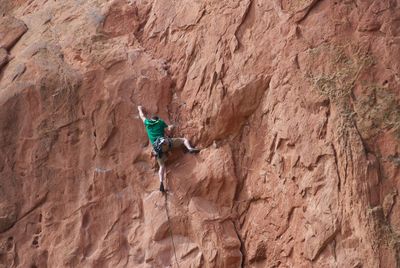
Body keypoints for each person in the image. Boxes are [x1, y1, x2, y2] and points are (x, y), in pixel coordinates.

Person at [138, 106, 200, 192]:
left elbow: (142, 116)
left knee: (162, 166)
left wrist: (139, 109)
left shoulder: (147, 123)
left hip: (157, 149)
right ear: (157, 119)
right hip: (165, 144)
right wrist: (170, 127)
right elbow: (168, 132)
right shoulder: (160, 122)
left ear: (151, 119)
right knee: (183, 140)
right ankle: (190, 148)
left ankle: (161, 183)